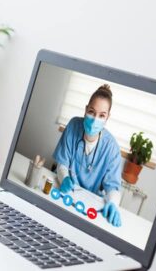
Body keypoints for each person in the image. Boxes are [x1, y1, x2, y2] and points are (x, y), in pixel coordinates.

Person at [52, 84, 123, 227]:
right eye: (92, 112)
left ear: (107, 117)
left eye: (102, 115)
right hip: (66, 194)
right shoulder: (73, 126)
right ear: (85, 110)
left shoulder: (112, 148)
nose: (95, 119)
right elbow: (62, 163)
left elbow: (113, 188)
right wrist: (64, 177)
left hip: (88, 204)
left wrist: (113, 203)